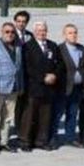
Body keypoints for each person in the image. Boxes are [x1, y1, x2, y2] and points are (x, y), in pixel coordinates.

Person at [19, 21, 64, 151]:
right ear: (34, 32)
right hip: (34, 87)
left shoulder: (52, 45)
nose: (41, 33)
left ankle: (41, 140)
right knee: (30, 115)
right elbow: (28, 67)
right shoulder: (27, 46)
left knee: (45, 116)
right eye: (39, 30)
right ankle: (25, 141)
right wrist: (43, 78)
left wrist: (54, 75)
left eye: (44, 30)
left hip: (49, 88)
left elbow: (60, 64)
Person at [0, 23, 23, 153]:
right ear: (1, 32)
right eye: (7, 32)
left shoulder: (18, 46)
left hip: (13, 87)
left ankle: (4, 141)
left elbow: (19, 68)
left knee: (7, 117)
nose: (10, 34)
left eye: (12, 32)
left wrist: (20, 85)